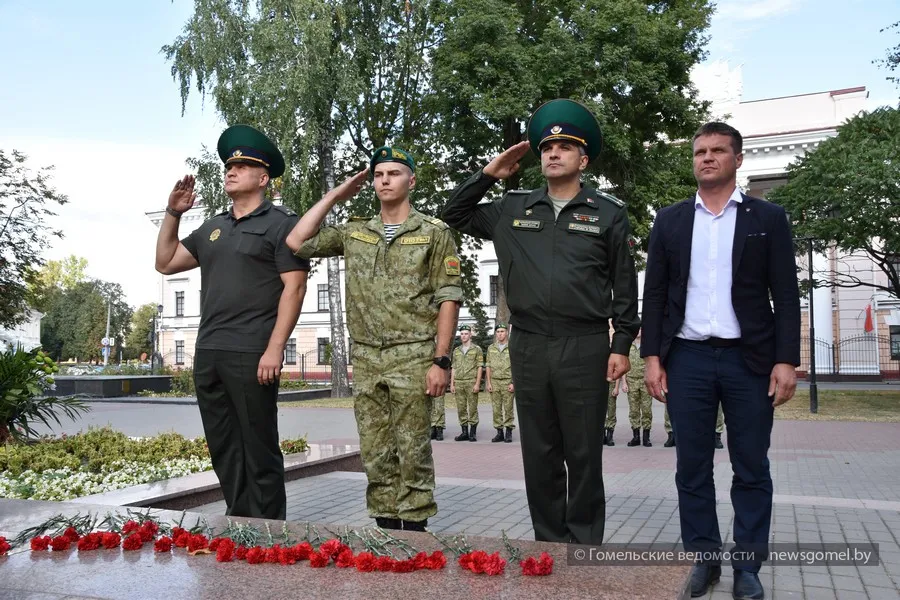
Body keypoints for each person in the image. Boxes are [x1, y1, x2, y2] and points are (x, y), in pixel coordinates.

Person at [442, 99, 641, 545]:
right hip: (528, 344)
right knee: (540, 451)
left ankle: (585, 542)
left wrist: (621, 343)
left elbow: (624, 287)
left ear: (582, 159)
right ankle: (549, 541)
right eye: (546, 147)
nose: (552, 153)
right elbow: (452, 214)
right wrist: (489, 174)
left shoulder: (608, 213)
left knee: (585, 451)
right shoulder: (512, 209)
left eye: (564, 147)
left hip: (585, 344)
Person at [641, 122, 800, 600]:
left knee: (751, 465)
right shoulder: (669, 220)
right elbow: (654, 295)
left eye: (717, 151)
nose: (706, 158)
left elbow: (786, 296)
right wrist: (652, 356)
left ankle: (747, 567)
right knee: (691, 466)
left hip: (748, 361)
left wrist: (786, 360)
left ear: (738, 159)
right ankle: (704, 559)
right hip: (686, 358)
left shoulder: (767, 218)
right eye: (699, 152)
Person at [285, 146, 462, 532]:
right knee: (376, 449)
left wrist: (441, 360)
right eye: (379, 174)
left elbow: (449, 297)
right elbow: (297, 241)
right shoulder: (354, 231)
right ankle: (385, 530)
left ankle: (415, 530)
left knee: (413, 447)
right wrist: (335, 195)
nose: (384, 180)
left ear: (411, 181)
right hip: (366, 356)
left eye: (394, 173)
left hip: (414, 355)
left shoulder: (433, 233)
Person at [154, 124, 310, 520]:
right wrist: (173, 213)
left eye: (241, 165)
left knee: (258, 444)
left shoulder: (282, 224)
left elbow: (294, 288)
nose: (231, 170)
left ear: (263, 177)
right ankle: (239, 519)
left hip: (252, 350)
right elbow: (166, 262)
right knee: (223, 444)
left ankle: (269, 529)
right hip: (210, 352)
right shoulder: (214, 228)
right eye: (229, 165)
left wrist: (276, 348)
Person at [451, 325, 484, 442]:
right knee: (461, 408)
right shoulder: (456, 350)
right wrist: (452, 384)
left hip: (471, 381)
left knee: (473, 408)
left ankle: (472, 433)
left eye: (466, 334)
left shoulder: (477, 349)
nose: (463, 336)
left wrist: (477, 383)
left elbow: (480, 367)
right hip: (459, 382)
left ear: (470, 335)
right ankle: (464, 432)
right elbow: (453, 367)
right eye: (462, 334)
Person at [485, 323, 515, 443]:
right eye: (498, 332)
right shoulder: (491, 348)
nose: (500, 334)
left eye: (502, 331)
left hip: (507, 381)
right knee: (496, 408)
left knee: (508, 408)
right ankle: (499, 432)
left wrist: (513, 382)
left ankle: (508, 432)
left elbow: (515, 365)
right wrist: (489, 382)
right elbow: (488, 365)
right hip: (495, 381)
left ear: (506, 332)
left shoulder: (511, 347)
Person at [623, 331, 652, 448]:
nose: (639, 331)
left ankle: (646, 437)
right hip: (631, 381)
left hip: (644, 381)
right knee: (634, 410)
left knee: (646, 410)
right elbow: (624, 365)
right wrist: (624, 383)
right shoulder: (628, 345)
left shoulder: (648, 345)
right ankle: (636, 437)